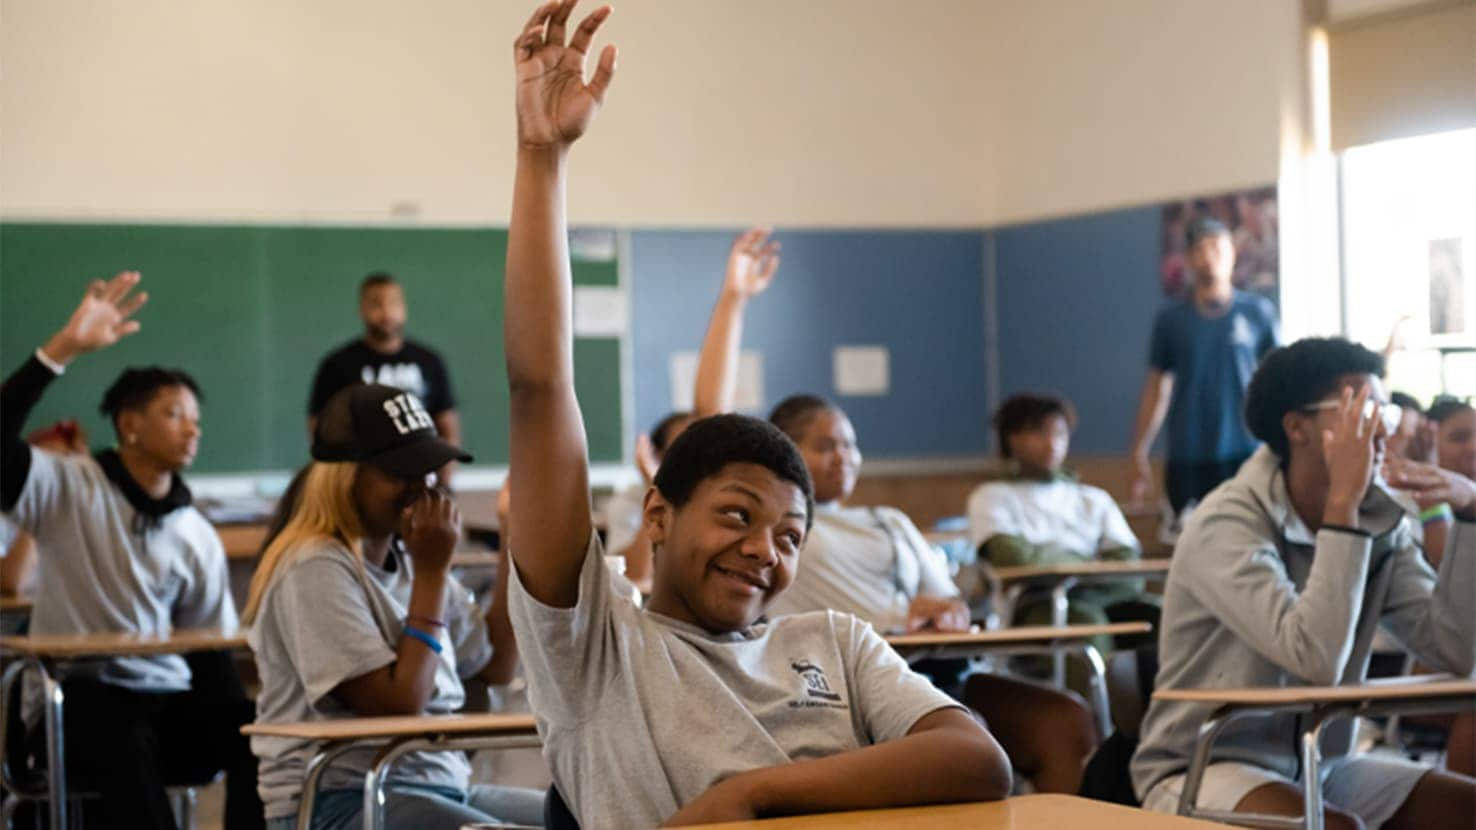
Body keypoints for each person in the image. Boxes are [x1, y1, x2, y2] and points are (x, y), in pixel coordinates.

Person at [502, 4, 1011, 825]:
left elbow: (978, 758)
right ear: (659, 514)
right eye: (737, 515)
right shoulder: (597, 647)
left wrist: (752, 794)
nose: (762, 552)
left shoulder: (832, 643)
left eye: (788, 537)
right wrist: (541, 157)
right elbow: (539, 387)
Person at [685, 231, 1097, 792]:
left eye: (851, 445)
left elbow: (947, 603)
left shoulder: (889, 521)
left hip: (933, 673)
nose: (845, 458)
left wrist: (944, 612)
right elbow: (711, 416)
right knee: (964, 743)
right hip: (834, 690)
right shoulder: (780, 532)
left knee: (1064, 720)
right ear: (785, 449)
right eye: (826, 446)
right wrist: (734, 299)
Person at [1131, 338, 1475, 830]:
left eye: (1384, 410)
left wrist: (1471, 514)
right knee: (1335, 828)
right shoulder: (1224, 523)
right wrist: (1343, 512)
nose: (1379, 428)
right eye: (1360, 410)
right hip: (1202, 764)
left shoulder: (1382, 522)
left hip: (1322, 763)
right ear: (1297, 427)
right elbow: (1316, 657)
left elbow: (1456, 649)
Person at [0, 271, 261, 830]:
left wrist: (239, 716)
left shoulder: (193, 530)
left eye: (196, 418)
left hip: (165, 708)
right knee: (114, 722)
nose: (192, 430)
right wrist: (61, 350)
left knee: (252, 725)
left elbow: (209, 651)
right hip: (73, 707)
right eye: (174, 415)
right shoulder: (68, 486)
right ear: (129, 425)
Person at [243, 384, 541, 830]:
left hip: (435, 784)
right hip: (340, 798)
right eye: (403, 473)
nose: (423, 488)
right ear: (346, 475)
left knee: (585, 816)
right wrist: (433, 574)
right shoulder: (313, 565)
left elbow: (496, 663)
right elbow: (397, 705)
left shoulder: (408, 559)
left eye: (428, 471)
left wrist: (513, 537)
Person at [968, 394, 1158, 659]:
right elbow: (1013, 559)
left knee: (1161, 616)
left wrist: (1066, 570)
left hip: (1103, 597)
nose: (1052, 443)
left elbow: (1129, 566)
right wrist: (1089, 564)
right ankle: (1096, 701)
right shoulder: (992, 496)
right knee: (1086, 622)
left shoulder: (1092, 498)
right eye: (1039, 434)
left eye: (1060, 434)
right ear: (1013, 438)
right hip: (1034, 606)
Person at [1129, 217, 1280, 517]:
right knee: (1190, 541)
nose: (1208, 257)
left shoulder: (1258, 314)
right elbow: (1157, 388)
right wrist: (1139, 450)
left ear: (1232, 252)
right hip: (1188, 453)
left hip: (1246, 450)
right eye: (1199, 249)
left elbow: (1279, 382)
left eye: (1216, 247)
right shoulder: (1171, 320)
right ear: (1187, 259)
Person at [307, 272, 461, 485]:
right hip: (360, 478)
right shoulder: (337, 364)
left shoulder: (430, 361)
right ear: (362, 309)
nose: (387, 313)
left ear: (404, 308)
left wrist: (445, 477)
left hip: (421, 472)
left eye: (394, 303)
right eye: (376, 304)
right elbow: (319, 428)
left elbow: (447, 423)